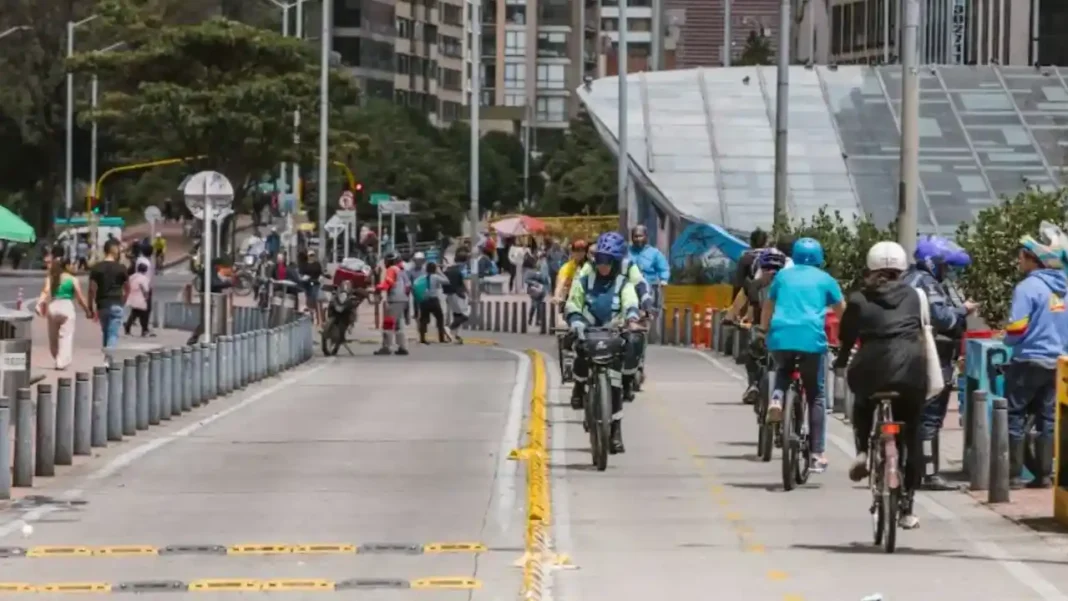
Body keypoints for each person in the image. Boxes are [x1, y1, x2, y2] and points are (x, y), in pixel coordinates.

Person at [834, 241, 926, 529]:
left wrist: (840, 360)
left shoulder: (859, 299)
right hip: (910, 369)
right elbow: (923, 330)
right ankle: (907, 507)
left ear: (870, 270)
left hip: (870, 367)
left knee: (863, 402)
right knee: (911, 434)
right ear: (901, 270)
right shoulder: (914, 295)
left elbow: (847, 338)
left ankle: (862, 450)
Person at [758, 237, 845, 473]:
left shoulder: (782, 277)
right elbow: (842, 311)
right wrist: (846, 336)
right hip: (811, 340)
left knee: (783, 370)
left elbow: (768, 306)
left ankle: (776, 398)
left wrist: (764, 329)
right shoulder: (826, 280)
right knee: (816, 395)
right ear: (819, 258)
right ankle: (817, 453)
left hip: (780, 336)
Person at [902, 235, 976, 490]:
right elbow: (944, 319)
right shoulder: (927, 284)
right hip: (932, 357)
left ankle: (906, 465)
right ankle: (929, 473)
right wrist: (963, 311)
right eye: (945, 267)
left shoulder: (907, 278)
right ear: (933, 263)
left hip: (907, 356)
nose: (947, 272)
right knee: (930, 416)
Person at [1002, 222, 1068, 489]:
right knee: (1047, 418)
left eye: (1023, 256)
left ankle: (1013, 474)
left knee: (1015, 415)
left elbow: (1017, 327)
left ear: (1035, 259)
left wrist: (1008, 340)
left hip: (1028, 360)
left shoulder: (1028, 287)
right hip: (1058, 362)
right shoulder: (1062, 288)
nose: (1019, 260)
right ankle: (1044, 475)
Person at [565, 231, 643, 453]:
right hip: (588, 332)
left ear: (616, 262)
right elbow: (573, 304)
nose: (603, 265)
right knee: (578, 352)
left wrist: (632, 319)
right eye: (599, 259)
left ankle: (615, 432)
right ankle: (579, 387)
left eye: (608, 261)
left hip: (613, 335)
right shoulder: (584, 280)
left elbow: (631, 303)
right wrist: (576, 321)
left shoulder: (623, 283)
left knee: (616, 385)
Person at [723, 248, 788, 403]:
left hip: (764, 327)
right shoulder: (790, 282)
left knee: (752, 351)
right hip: (786, 328)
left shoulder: (755, 285)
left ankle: (753, 385)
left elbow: (745, 306)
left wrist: (731, 319)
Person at [36, 255, 91, 370]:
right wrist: (87, 310)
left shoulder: (51, 278)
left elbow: (45, 291)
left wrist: (40, 303)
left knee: (53, 337)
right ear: (67, 266)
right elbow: (80, 298)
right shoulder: (72, 279)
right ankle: (61, 362)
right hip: (67, 307)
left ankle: (57, 357)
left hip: (53, 307)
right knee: (66, 336)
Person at [88, 239, 129, 353]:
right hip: (117, 303)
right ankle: (109, 359)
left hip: (102, 305)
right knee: (113, 334)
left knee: (106, 332)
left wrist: (90, 308)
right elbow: (127, 288)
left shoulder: (97, 268)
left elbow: (91, 289)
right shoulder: (121, 268)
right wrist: (123, 301)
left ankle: (106, 358)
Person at [375, 251, 410, 356]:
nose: (385, 262)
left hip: (394, 299)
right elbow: (408, 285)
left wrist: (377, 288)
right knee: (399, 325)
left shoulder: (391, 269)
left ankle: (386, 347)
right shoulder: (401, 270)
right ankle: (402, 347)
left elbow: (387, 283)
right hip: (403, 299)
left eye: (386, 260)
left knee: (388, 324)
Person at [627, 225, 670, 310]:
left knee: (648, 314)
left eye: (640, 236)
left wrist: (663, 280)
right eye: (635, 236)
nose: (638, 239)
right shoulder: (627, 252)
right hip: (631, 290)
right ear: (632, 238)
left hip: (650, 290)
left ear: (646, 237)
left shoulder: (654, 253)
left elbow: (664, 269)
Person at [415, 262, 450, 344]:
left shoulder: (422, 277)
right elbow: (447, 281)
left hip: (424, 300)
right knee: (440, 318)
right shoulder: (436, 277)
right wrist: (440, 272)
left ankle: (422, 338)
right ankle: (441, 337)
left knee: (423, 319)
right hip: (433, 300)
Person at [444, 248, 471, 344]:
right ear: (466, 260)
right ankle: (448, 328)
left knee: (457, 314)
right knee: (465, 315)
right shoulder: (462, 269)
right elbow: (464, 282)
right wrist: (469, 293)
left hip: (449, 294)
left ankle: (457, 336)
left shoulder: (449, 268)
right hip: (459, 294)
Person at [733, 228, 769, 299]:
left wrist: (733, 304)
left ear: (751, 242)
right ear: (766, 243)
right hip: (769, 301)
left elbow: (738, 285)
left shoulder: (745, 258)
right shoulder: (774, 258)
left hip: (751, 301)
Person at [553, 239, 589, 309]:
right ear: (572, 252)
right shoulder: (568, 267)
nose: (579, 253)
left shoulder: (589, 266)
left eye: (582, 250)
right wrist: (557, 295)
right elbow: (561, 283)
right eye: (577, 250)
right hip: (573, 300)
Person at [124, 262, 152, 336]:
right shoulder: (144, 278)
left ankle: (127, 326)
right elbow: (144, 288)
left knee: (134, 313)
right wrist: (146, 296)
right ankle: (144, 330)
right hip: (140, 298)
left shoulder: (132, 277)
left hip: (133, 297)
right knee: (144, 315)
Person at [525, 252, 551, 326]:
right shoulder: (531, 270)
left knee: (539, 305)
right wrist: (534, 283)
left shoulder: (544, 266)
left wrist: (547, 288)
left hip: (541, 289)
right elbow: (526, 279)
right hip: (533, 290)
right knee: (534, 304)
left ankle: (537, 320)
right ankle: (531, 319)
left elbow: (546, 278)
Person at [301, 250, 325, 326]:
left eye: (313, 255)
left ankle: (319, 320)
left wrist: (321, 277)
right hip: (308, 285)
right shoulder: (305, 265)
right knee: (309, 302)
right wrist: (304, 278)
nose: (312, 257)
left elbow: (321, 273)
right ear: (308, 256)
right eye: (310, 255)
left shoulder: (317, 264)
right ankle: (311, 318)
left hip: (316, 284)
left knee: (317, 302)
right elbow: (302, 273)